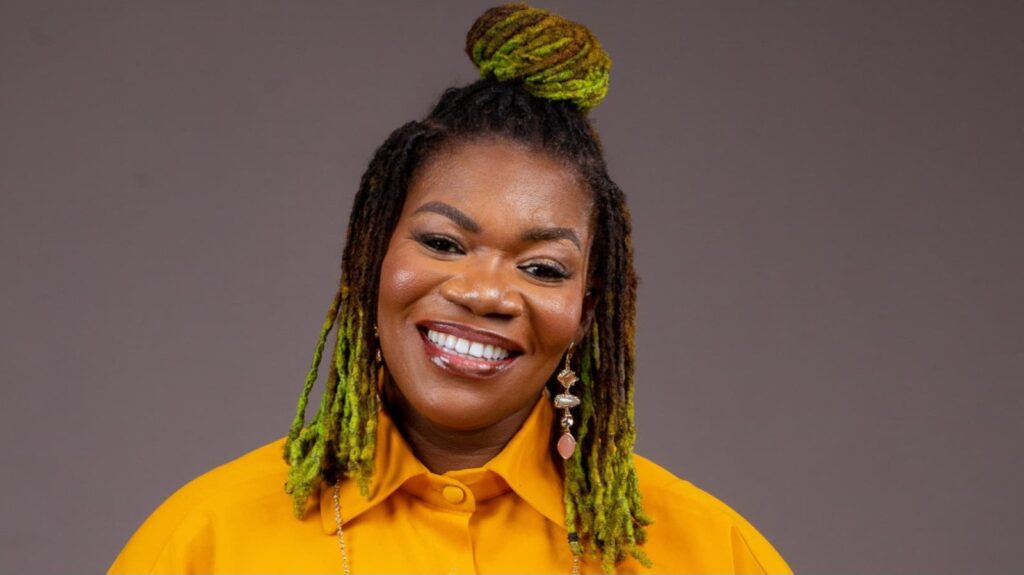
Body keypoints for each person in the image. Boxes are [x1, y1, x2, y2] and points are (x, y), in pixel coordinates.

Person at [109, 4, 792, 574]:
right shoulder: (206, 539)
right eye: (442, 243)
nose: (485, 293)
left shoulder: (709, 552)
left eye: (542, 268)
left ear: (586, 312)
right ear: (372, 259)